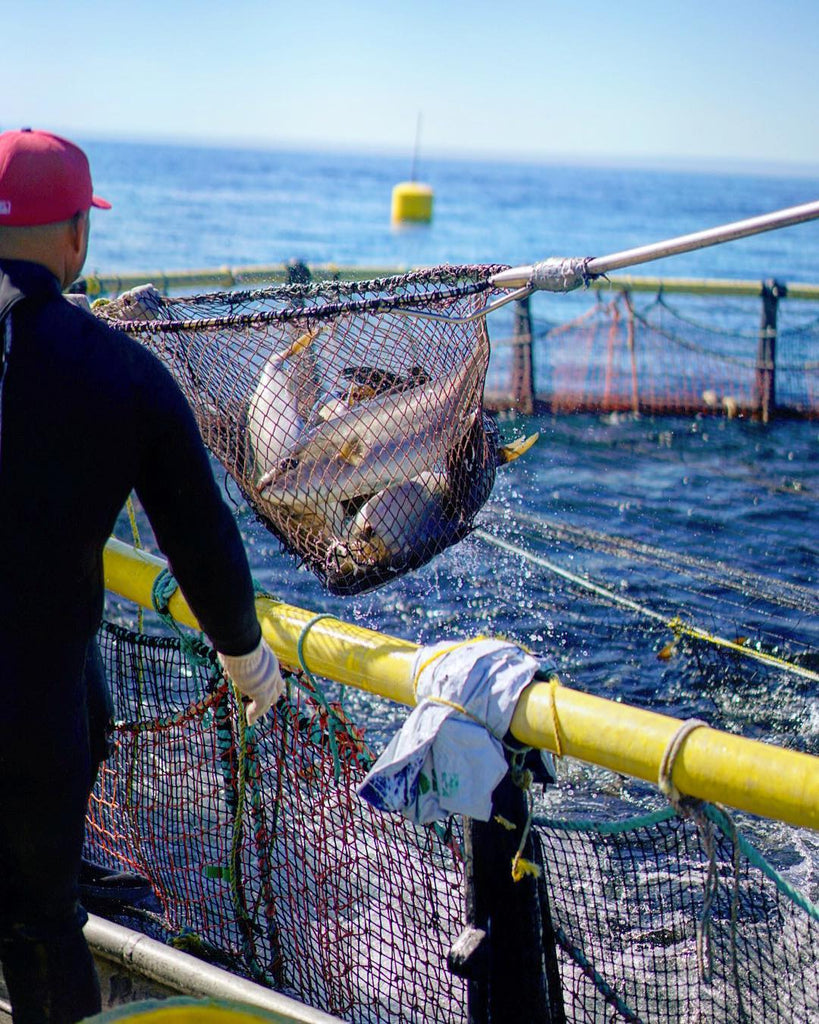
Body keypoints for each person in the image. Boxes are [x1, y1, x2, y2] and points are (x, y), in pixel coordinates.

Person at [0, 128, 284, 1024]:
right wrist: (247, 661)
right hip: (29, 725)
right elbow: (200, 539)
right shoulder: (121, 374)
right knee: (42, 934)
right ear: (78, 236)